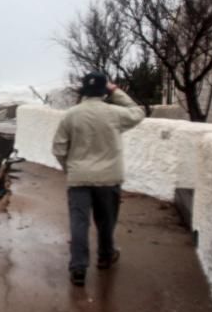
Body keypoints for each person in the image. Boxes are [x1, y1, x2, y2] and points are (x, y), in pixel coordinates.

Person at [51, 72, 145, 286]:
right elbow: (138, 113)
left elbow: (58, 148)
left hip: (79, 178)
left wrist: (70, 168)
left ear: (84, 91)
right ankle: (105, 256)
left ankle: (78, 269)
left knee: (79, 223)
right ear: (104, 91)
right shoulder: (115, 113)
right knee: (106, 221)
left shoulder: (71, 115)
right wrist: (116, 91)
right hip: (109, 178)